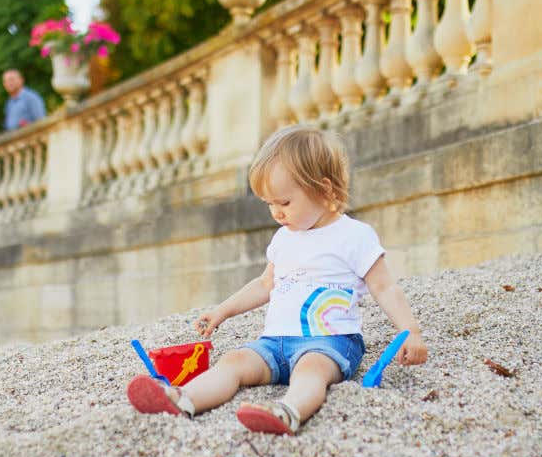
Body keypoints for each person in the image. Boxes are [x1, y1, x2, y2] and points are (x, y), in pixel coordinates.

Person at [126, 124, 429, 435]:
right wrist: (223, 310)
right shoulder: (284, 239)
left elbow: (385, 287)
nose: (276, 213)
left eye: (284, 202)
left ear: (324, 190)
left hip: (329, 342)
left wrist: (411, 331)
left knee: (311, 370)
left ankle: (289, 410)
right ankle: (183, 399)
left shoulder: (354, 236)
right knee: (233, 362)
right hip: (274, 343)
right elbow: (264, 285)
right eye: (269, 204)